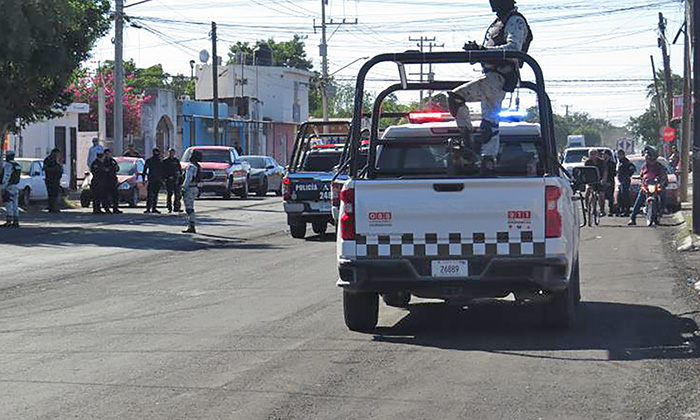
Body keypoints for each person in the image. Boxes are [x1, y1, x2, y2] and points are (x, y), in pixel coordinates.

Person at [446, 0, 533, 170]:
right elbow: (493, 49)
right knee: (490, 121)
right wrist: (478, 52)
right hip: (492, 73)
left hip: (500, 75)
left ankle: (469, 144)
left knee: (456, 97)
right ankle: (488, 159)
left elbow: (514, 47)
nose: (493, 4)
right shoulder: (500, 22)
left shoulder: (515, 20)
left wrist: (482, 51)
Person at [628, 147, 668, 226]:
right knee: (639, 200)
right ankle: (632, 218)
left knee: (663, 194)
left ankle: (661, 210)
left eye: (650, 157)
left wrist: (661, 183)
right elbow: (642, 176)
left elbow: (664, 177)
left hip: (657, 187)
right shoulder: (644, 167)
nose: (649, 160)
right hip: (646, 187)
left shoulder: (660, 167)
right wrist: (642, 183)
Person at [182, 150, 203, 234]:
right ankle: (191, 225)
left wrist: (183, 188)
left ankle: (191, 225)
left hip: (190, 188)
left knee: (189, 208)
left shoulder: (191, 167)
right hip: (195, 187)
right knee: (190, 207)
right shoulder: (197, 166)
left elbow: (188, 178)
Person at [1, 151, 22, 228]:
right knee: (15, 203)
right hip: (16, 186)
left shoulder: (8, 165)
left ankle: (9, 221)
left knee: (8, 202)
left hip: (8, 186)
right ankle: (16, 221)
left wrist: (3, 186)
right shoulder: (18, 165)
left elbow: (6, 176)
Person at [584, 149, 606, 215]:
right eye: (591, 154)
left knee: (602, 195)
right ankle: (587, 206)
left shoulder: (602, 162)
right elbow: (585, 172)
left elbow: (605, 171)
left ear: (597, 155)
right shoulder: (587, 162)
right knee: (588, 190)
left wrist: (604, 179)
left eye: (594, 154)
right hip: (590, 180)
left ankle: (602, 209)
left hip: (599, 180)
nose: (593, 156)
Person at [143, 148, 164, 214]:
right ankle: (148, 208)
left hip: (157, 180)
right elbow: (145, 170)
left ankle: (153, 208)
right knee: (150, 195)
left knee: (155, 194)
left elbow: (163, 171)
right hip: (151, 179)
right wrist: (144, 179)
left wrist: (162, 179)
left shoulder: (160, 161)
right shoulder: (149, 161)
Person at [616, 149, 636, 217]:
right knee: (620, 196)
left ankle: (626, 211)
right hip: (621, 181)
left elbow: (632, 168)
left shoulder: (626, 161)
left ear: (623, 155)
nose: (618, 156)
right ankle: (622, 210)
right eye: (618, 154)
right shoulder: (620, 161)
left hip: (625, 181)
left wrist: (628, 175)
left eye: (620, 154)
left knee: (625, 196)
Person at [43, 148, 64, 213]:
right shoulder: (48, 159)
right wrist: (55, 169)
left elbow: (60, 168)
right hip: (50, 179)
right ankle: (52, 208)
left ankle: (55, 207)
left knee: (55, 194)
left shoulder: (57, 160)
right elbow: (46, 168)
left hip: (56, 179)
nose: (58, 155)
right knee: (51, 194)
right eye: (57, 153)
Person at [163, 148, 183, 213]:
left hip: (176, 179)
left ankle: (176, 207)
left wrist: (180, 176)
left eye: (172, 153)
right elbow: (163, 170)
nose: (171, 154)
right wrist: (166, 177)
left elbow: (179, 169)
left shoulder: (176, 160)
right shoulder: (165, 161)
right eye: (170, 153)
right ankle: (169, 207)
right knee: (169, 194)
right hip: (169, 180)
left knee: (177, 194)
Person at [103, 149, 123, 214]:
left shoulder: (113, 161)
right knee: (106, 196)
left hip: (113, 180)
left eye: (109, 153)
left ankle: (115, 209)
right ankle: (107, 209)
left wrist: (116, 168)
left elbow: (117, 168)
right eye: (106, 154)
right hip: (106, 180)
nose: (108, 155)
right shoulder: (103, 161)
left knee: (115, 195)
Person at [601, 150, 617, 216]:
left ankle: (611, 211)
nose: (603, 155)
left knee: (610, 196)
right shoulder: (601, 162)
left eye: (604, 154)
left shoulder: (612, 163)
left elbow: (613, 173)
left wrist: (609, 182)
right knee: (602, 196)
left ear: (608, 155)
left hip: (610, 181)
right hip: (602, 181)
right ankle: (602, 210)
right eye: (602, 154)